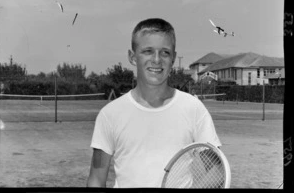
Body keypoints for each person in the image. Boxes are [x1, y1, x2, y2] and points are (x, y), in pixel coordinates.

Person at [87, 18, 221, 188]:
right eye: (148, 51)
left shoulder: (193, 108)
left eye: (165, 52)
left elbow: (216, 170)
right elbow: (96, 179)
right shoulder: (109, 115)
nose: (157, 60)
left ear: (173, 58)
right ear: (132, 57)